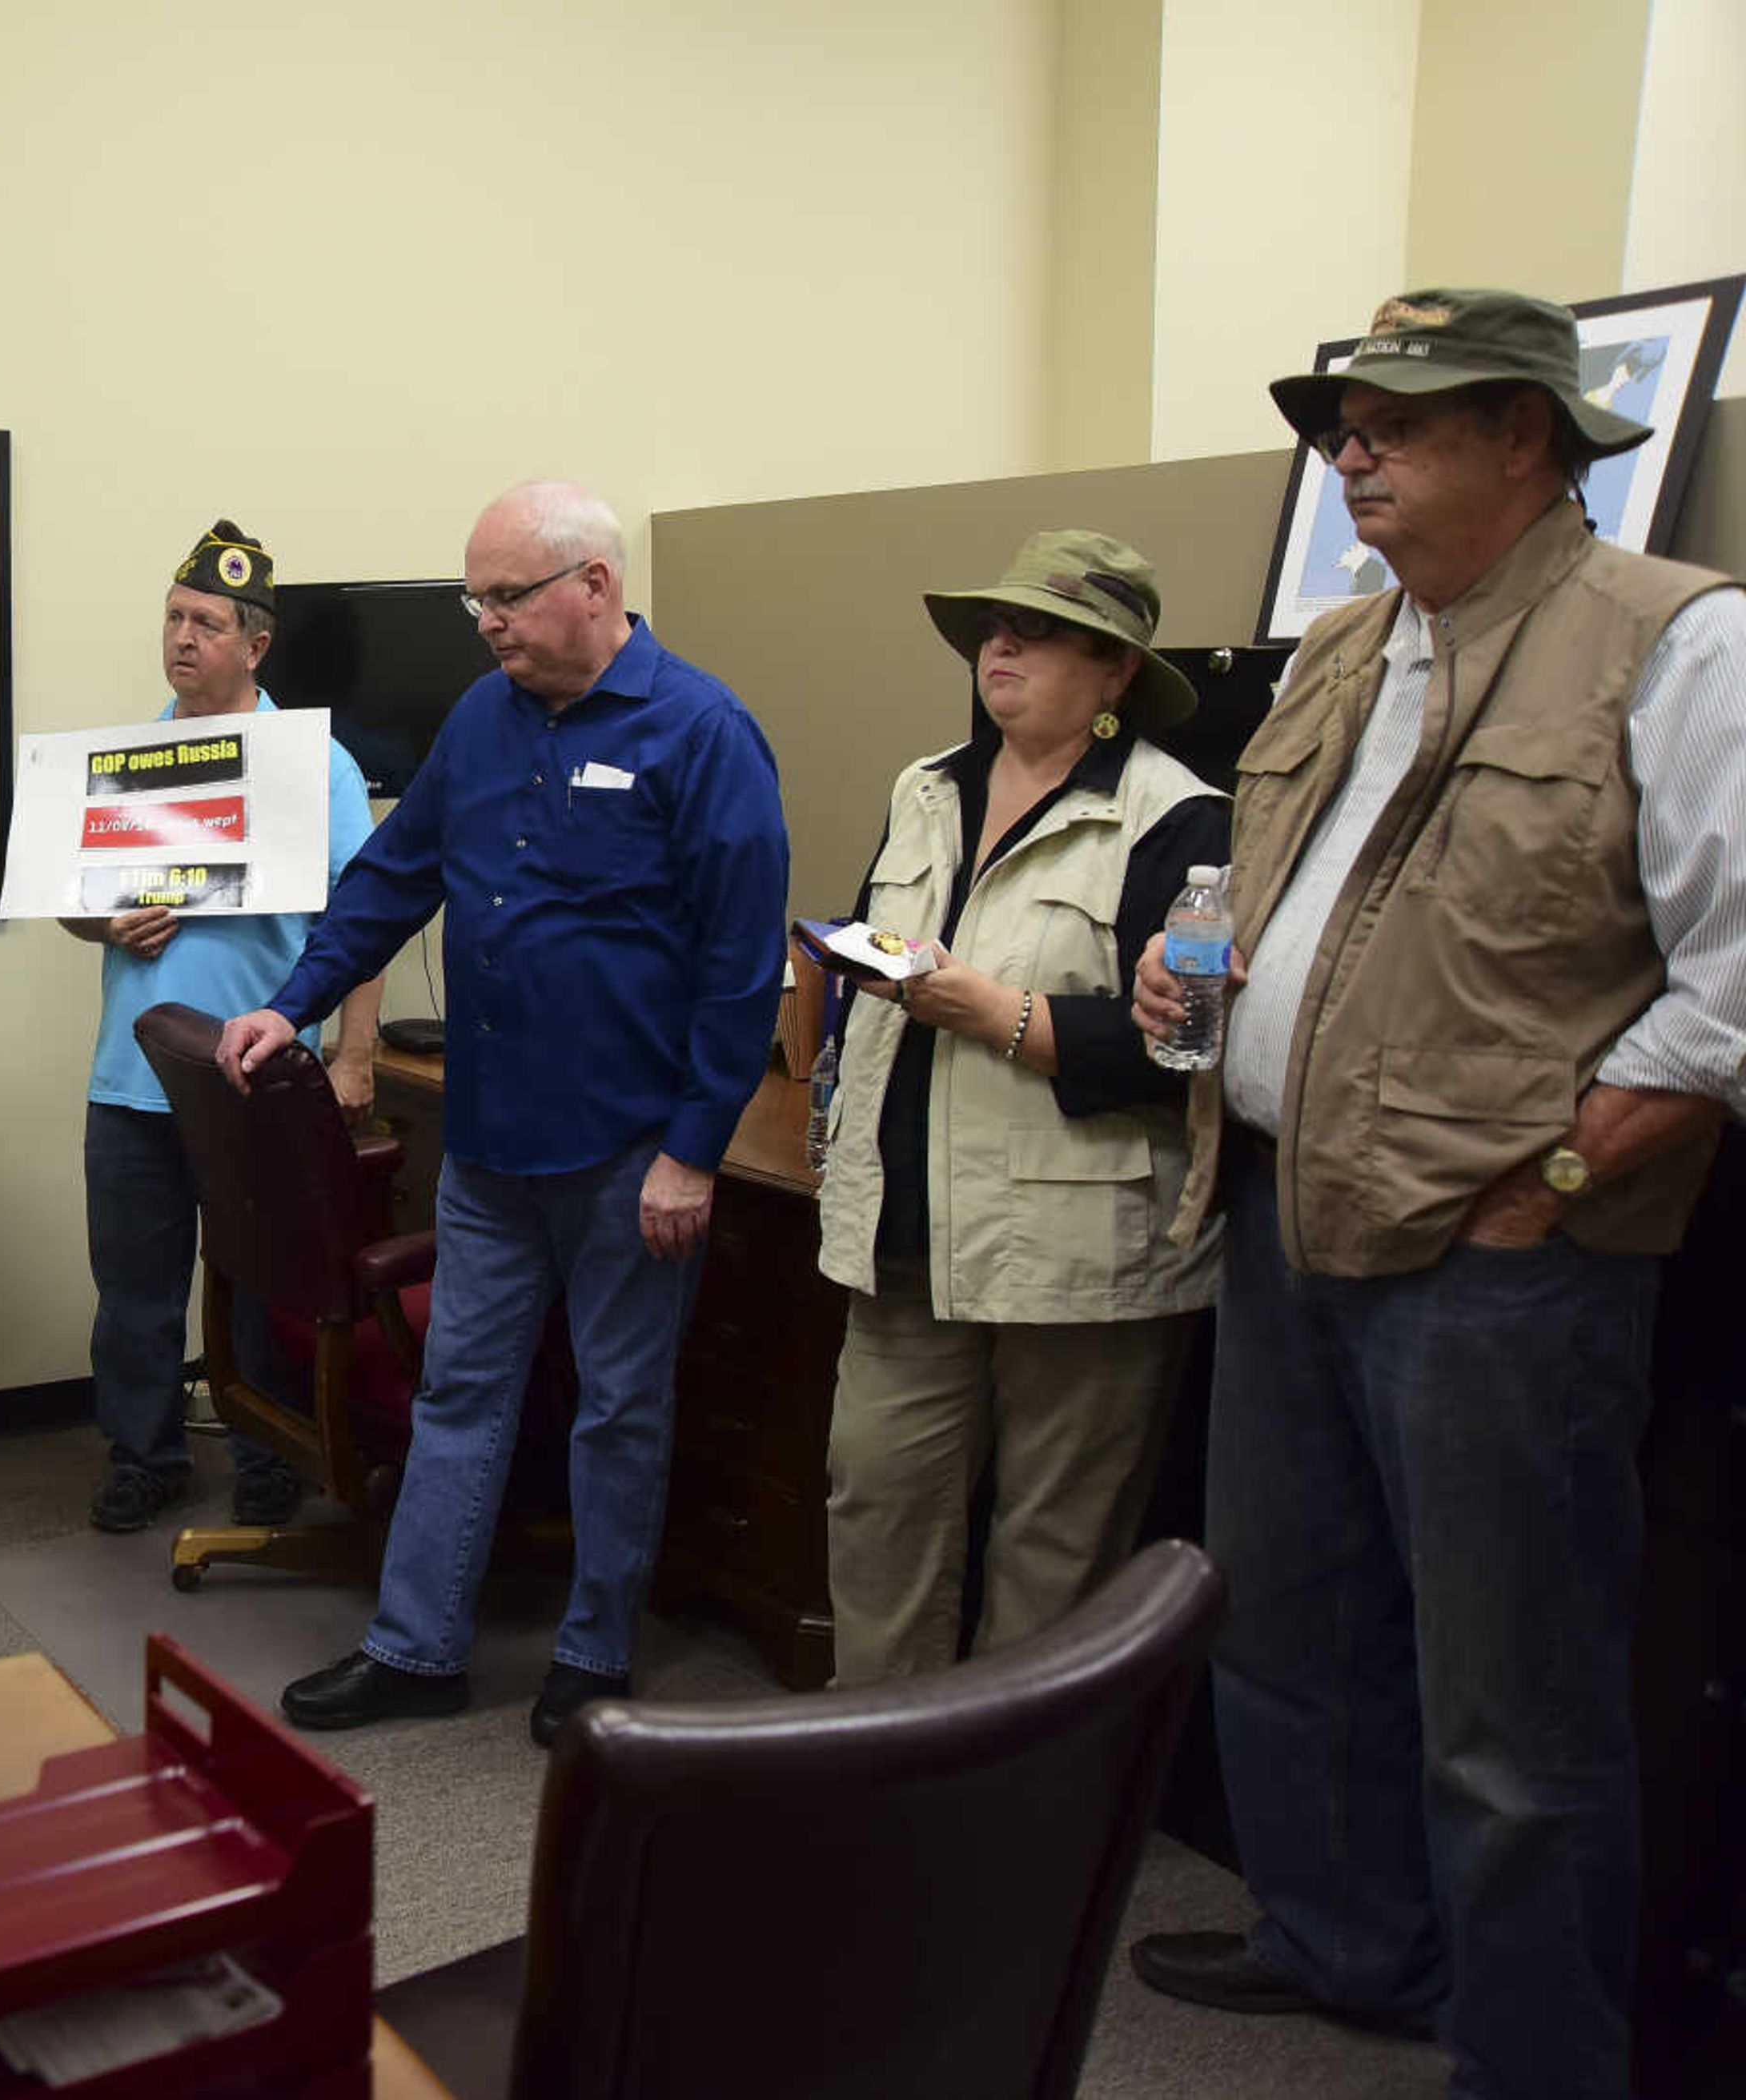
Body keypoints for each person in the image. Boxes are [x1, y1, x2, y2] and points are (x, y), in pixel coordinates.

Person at [1126, 288, 1746, 2100]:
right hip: (1278, 1213)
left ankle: (1529, 2054)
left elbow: (1727, 981)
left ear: (1525, 438)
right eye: (1341, 419)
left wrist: (1551, 1178)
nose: (1350, 450)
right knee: (1291, 1624)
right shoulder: (1343, 641)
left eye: (1395, 419)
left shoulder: (1672, 640)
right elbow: (1270, 891)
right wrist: (1196, 984)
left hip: (1498, 1263)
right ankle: (1339, 1939)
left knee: (1510, 1709)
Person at [219, 480, 789, 1747]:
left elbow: (744, 972)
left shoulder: (702, 732)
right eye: (476, 597)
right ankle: (416, 1644)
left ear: (596, 586)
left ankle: (593, 1651)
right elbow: (392, 878)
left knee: (619, 1406)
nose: (484, 622)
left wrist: (694, 1152)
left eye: (506, 597)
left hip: (632, 1150)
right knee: (462, 1395)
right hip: (491, 1142)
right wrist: (296, 1001)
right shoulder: (483, 720)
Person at [811, 531, 1227, 1684]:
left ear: (1115, 671)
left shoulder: (1178, 819)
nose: (1002, 643)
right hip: (904, 1232)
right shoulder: (927, 785)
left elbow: (1181, 1052)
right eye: (995, 625)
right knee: (876, 1505)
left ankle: (1014, 1821)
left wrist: (996, 1008)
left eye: (1038, 629)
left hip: (1075, 1253)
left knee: (1053, 1555)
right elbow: (880, 951)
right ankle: (874, 1779)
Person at [61, 521, 387, 1534]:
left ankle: (267, 1455)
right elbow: (75, 906)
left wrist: (356, 1053)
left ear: (256, 645)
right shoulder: (133, 757)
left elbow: (361, 912)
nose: (182, 637)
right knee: (134, 1293)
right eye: (173, 617)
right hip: (135, 1074)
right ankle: (144, 1455)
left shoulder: (315, 764)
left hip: (260, 1071)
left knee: (260, 1281)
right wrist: (102, 920)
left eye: (207, 622)